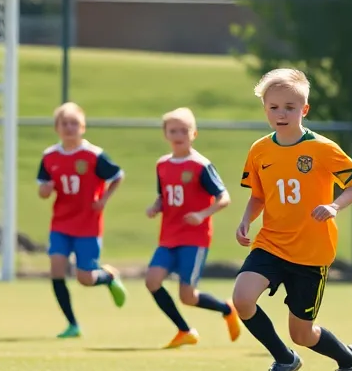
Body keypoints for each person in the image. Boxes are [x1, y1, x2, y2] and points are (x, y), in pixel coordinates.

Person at [232, 68, 352, 371]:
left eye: (290, 107)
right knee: (242, 299)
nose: (281, 114)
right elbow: (259, 195)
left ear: (304, 109)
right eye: (274, 107)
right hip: (272, 243)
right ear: (265, 109)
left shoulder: (322, 148)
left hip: (311, 252)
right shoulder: (260, 150)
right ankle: (283, 359)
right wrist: (246, 220)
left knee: (302, 334)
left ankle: (347, 358)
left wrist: (334, 206)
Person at [145, 107, 241, 348]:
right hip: (168, 236)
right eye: (173, 130)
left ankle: (227, 309)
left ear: (194, 133)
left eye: (184, 130)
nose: (178, 135)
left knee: (187, 296)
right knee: (152, 281)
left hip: (194, 238)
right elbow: (164, 196)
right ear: (165, 134)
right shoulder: (162, 165)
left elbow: (224, 197)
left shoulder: (201, 165)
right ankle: (184, 330)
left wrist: (202, 214)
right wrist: (156, 206)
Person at [37, 102, 127, 337]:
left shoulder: (94, 155)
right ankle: (73, 324)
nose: (69, 128)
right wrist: (45, 190)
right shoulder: (49, 156)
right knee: (56, 268)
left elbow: (118, 176)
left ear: (83, 127)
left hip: (88, 224)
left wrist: (103, 199)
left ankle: (109, 277)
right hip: (61, 223)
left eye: (74, 123)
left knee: (85, 278)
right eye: (64, 123)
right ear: (57, 128)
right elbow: (43, 190)